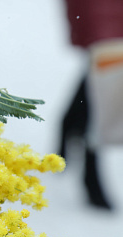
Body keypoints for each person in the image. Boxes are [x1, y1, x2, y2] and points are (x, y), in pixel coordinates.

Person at [61, 0, 123, 210]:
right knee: (103, 85)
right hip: (105, 21)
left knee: (98, 78)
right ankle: (91, 172)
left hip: (109, 24)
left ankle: (68, 126)